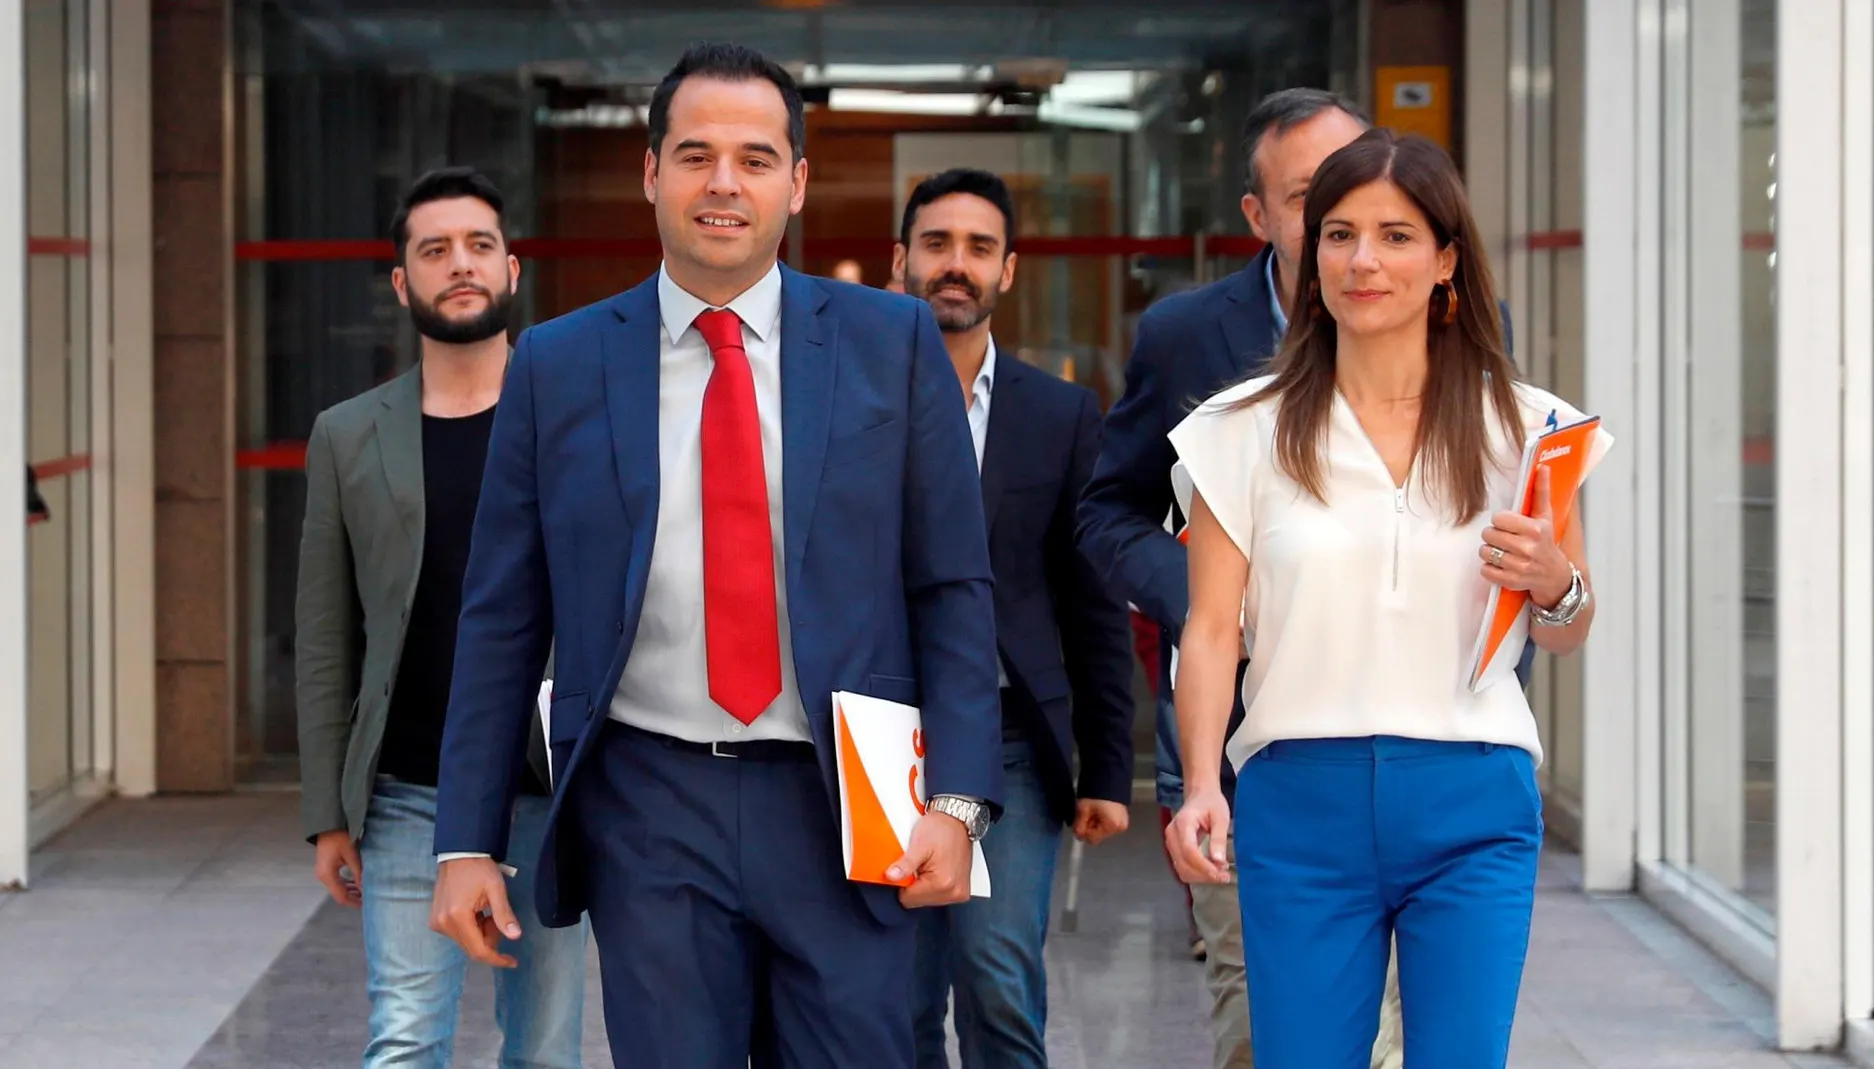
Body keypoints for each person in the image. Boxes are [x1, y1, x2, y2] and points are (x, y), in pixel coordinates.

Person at [426, 42, 1004, 1069]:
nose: (724, 183)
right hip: (649, 804)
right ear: (650, 175)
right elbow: (503, 613)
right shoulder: (559, 364)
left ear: (797, 182)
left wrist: (957, 801)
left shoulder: (894, 341)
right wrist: (465, 840)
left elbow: (951, 587)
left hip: (841, 800)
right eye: (694, 155)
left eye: (753, 157)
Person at [1164, 128, 1609, 1069]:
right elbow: (1208, 632)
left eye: (1397, 236)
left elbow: (1566, 629)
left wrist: (1554, 584)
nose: (1363, 259)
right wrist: (1202, 782)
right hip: (1300, 797)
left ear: (1448, 259)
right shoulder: (1238, 431)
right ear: (1308, 253)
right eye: (1339, 233)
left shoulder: (1530, 427)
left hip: (1474, 797)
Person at [1075, 86, 1384, 1069]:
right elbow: (1106, 508)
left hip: (1407, 740)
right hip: (1238, 745)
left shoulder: (1461, 322)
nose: (1340, 218)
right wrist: (1201, 598)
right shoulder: (1185, 335)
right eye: (1306, 197)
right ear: (1256, 217)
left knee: (1386, 1035)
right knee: (1264, 1028)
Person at [293, 166, 588, 1069]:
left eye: (478, 246)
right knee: (405, 1040)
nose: (459, 264)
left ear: (512, 268)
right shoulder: (349, 435)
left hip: (547, 791)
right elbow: (324, 633)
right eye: (435, 250)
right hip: (408, 791)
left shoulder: (576, 420)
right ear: (402, 282)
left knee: (543, 1049)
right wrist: (325, 811)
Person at [893, 167, 1136, 1069]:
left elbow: (1091, 596)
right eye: (937, 244)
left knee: (996, 979)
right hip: (881, 737)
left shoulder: (1061, 413)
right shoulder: (853, 404)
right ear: (901, 260)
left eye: (979, 248)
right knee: (898, 993)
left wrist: (1107, 765)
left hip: (1010, 744)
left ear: (1009, 270)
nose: (956, 264)